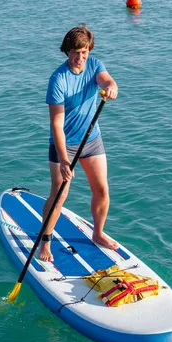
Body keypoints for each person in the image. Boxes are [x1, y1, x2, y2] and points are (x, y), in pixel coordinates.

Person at [38, 25, 119, 262]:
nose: (80, 58)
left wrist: (110, 88)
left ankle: (98, 233)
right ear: (67, 52)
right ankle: (45, 240)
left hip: (92, 140)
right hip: (65, 144)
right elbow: (56, 123)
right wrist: (64, 158)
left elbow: (107, 81)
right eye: (76, 52)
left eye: (84, 52)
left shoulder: (94, 65)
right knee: (60, 195)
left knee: (102, 190)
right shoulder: (58, 79)